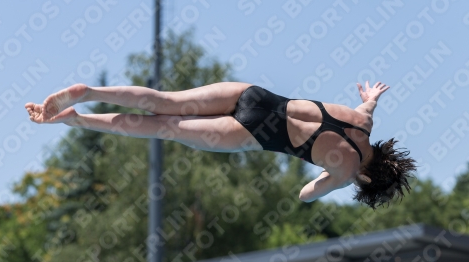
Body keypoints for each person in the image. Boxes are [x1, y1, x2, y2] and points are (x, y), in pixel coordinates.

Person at [25, 81, 416, 209]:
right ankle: (79, 121)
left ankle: (89, 92)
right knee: (166, 127)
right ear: (370, 179)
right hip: (254, 132)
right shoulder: (348, 171)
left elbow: (368, 103)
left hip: (256, 96)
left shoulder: (364, 121)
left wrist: (371, 97)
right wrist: (342, 179)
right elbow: (304, 195)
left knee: (165, 102)